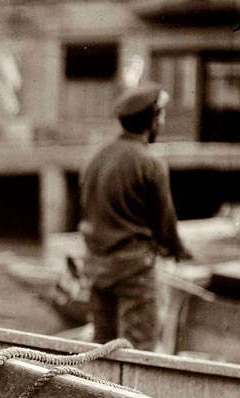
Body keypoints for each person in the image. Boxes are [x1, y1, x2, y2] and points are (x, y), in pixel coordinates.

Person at [78, 81, 193, 351]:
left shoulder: (95, 159)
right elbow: (165, 224)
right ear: (152, 120)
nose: (162, 121)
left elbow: (88, 208)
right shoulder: (150, 163)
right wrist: (179, 251)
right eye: (161, 116)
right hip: (134, 272)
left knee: (102, 346)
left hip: (97, 269)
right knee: (139, 349)